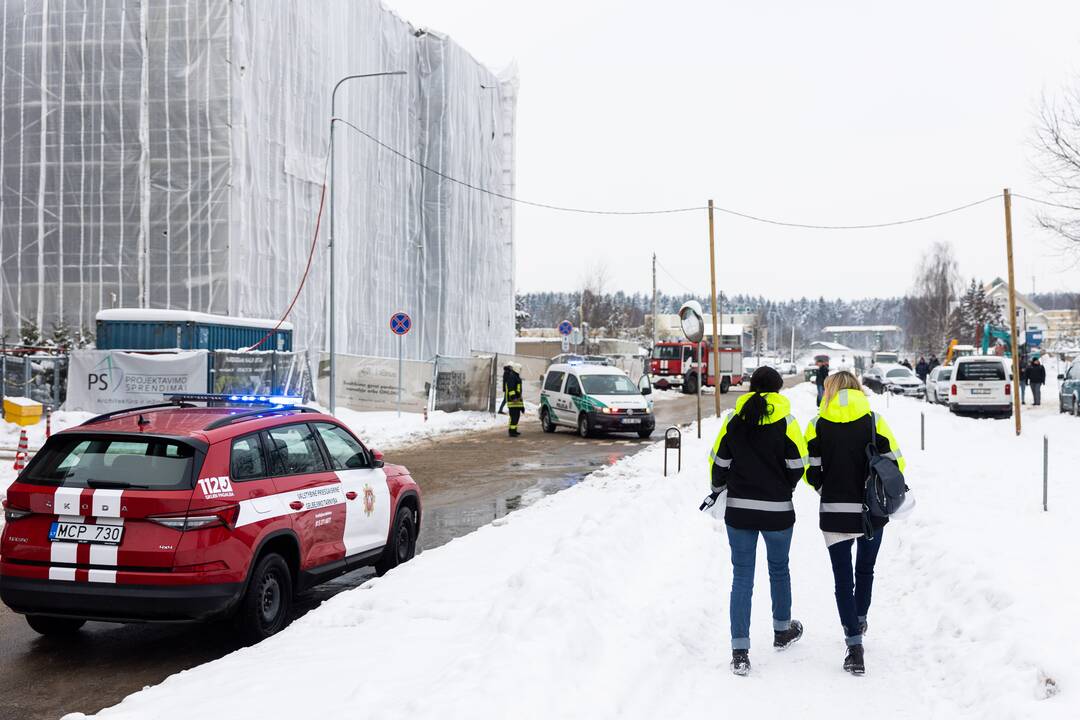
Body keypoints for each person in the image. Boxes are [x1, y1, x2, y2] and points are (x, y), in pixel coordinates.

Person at [705, 366, 809, 676]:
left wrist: (718, 490)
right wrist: (784, 487)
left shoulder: (735, 420)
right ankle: (781, 630)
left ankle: (740, 652)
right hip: (778, 510)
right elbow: (798, 464)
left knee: (742, 577)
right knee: (779, 569)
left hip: (739, 510)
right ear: (778, 390)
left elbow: (718, 462)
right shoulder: (787, 421)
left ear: (752, 388)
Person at [804, 371, 904, 676]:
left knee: (842, 579)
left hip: (835, 510)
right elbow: (895, 463)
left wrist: (828, 490)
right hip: (873, 510)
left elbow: (812, 471)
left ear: (829, 390)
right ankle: (860, 616)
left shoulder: (817, 424)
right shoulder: (874, 420)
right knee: (866, 569)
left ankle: (854, 643)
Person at [503, 362, 524, 436]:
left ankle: (514, 430)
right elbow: (511, 389)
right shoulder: (512, 377)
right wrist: (514, 397)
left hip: (517, 401)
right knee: (514, 417)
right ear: (517, 369)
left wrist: (522, 406)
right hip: (513, 401)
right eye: (520, 369)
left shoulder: (516, 376)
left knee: (516, 417)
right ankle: (511, 432)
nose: (521, 370)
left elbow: (519, 390)